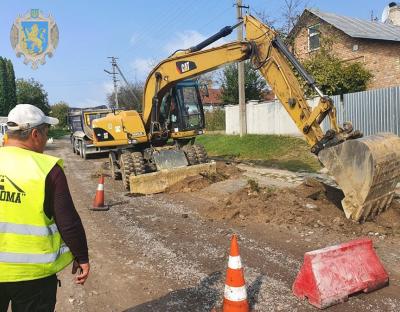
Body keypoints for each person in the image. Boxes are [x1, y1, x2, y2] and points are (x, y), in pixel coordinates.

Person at [0, 104, 90, 311]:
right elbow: (67, 221)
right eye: (45, 132)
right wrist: (81, 256)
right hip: (33, 276)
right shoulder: (46, 169)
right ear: (34, 134)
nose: (45, 138)